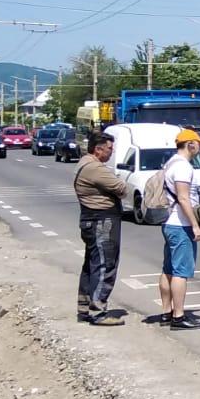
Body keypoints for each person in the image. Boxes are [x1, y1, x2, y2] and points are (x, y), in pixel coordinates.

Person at [72, 131, 130, 326]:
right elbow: (122, 189)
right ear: (98, 149)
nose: (111, 152)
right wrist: (119, 184)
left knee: (92, 265)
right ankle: (98, 311)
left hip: (92, 219)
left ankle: (84, 308)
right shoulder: (95, 168)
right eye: (109, 149)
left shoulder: (84, 163)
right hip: (102, 220)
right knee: (105, 264)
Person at [154, 128, 200, 330]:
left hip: (169, 222)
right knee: (180, 272)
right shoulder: (183, 167)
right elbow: (184, 198)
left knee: (168, 269)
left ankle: (166, 312)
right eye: (198, 143)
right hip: (180, 224)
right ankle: (178, 316)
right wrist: (195, 225)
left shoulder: (170, 163)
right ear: (190, 144)